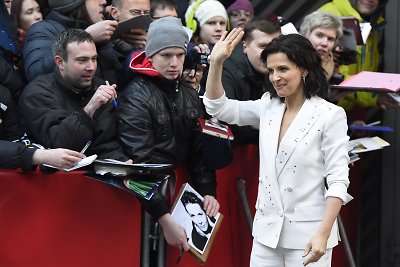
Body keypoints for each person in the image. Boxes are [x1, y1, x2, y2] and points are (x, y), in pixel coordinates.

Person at [204, 29, 352, 266]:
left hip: (310, 235)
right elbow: (217, 108)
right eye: (271, 70)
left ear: (303, 69)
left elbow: (338, 180)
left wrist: (323, 233)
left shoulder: (330, 114)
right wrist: (216, 63)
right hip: (266, 233)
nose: (275, 77)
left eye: (283, 69)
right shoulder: (268, 106)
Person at [117, 16, 219, 250]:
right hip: (146, 205)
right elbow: (138, 168)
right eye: (166, 55)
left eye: (180, 55)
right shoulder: (135, 97)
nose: (174, 63)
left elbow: (198, 150)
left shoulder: (189, 93)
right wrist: (163, 218)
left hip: (178, 197)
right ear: (150, 56)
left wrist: (208, 191)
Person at [19, 29, 129, 161]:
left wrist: (121, 163)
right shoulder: (37, 93)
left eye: (94, 59)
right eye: (82, 60)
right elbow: (59, 143)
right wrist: (89, 110)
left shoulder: (100, 87)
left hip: (98, 171)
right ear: (60, 62)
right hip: (54, 177)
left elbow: (106, 144)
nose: (91, 67)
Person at [318, 0, 397, 110]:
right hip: (320, 111)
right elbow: (329, 78)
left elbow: (360, 75)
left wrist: (357, 116)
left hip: (340, 112)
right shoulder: (328, 16)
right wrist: (374, 96)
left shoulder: (370, 23)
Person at [23, 0, 121, 84]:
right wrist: (85, 37)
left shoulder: (98, 28)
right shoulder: (44, 29)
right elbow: (36, 75)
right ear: (73, 3)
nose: (104, 2)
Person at [222, 18, 280, 145]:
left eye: (275, 47)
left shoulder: (282, 71)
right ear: (245, 47)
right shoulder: (226, 71)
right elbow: (224, 120)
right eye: (263, 46)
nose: (269, 53)